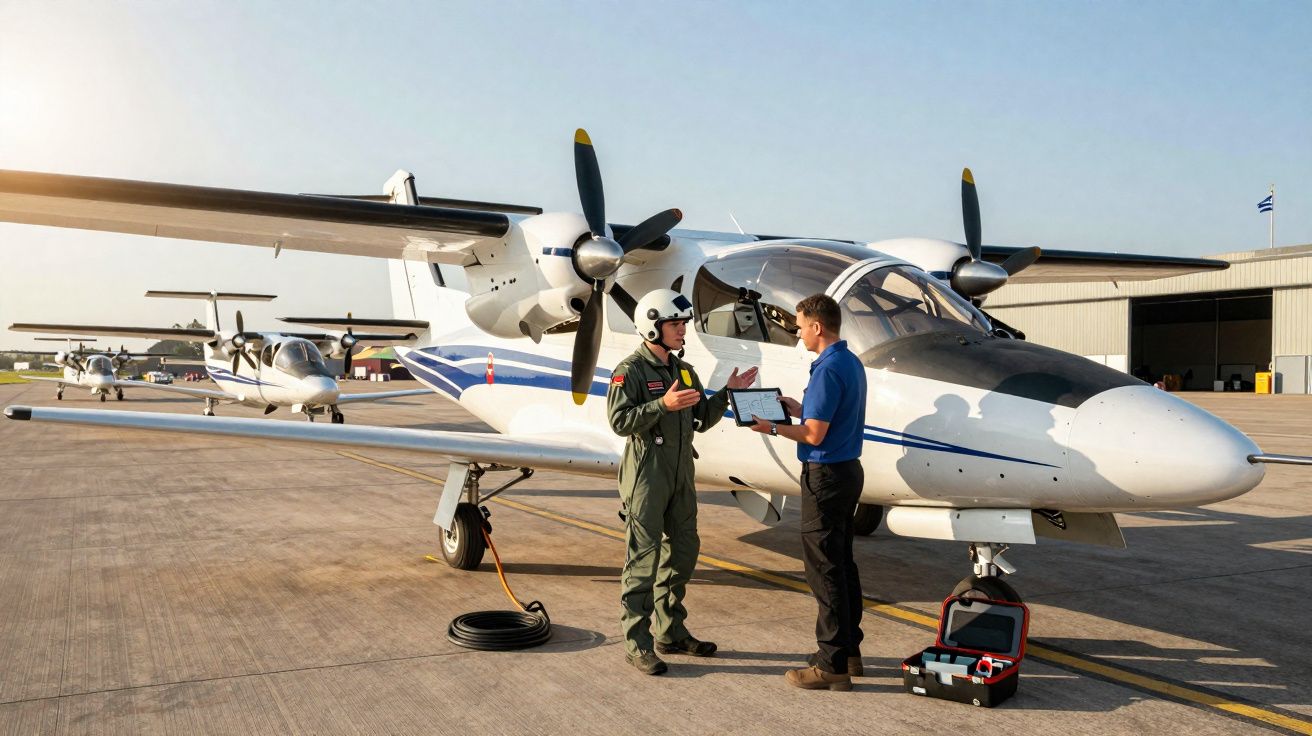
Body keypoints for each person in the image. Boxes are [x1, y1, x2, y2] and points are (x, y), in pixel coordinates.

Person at [608, 288, 759, 675]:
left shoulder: (683, 370)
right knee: (643, 561)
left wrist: (728, 393)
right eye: (675, 324)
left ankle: (670, 631)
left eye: (682, 324)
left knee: (684, 552)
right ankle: (637, 643)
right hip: (647, 476)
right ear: (653, 326)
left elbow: (700, 419)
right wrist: (662, 405)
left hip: (681, 475)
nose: (682, 330)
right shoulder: (630, 370)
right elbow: (619, 421)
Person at [747, 293, 866, 691]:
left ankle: (832, 664)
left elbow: (815, 434)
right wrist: (799, 407)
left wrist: (773, 427)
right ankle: (849, 651)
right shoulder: (849, 363)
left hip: (825, 476)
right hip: (848, 471)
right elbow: (827, 416)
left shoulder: (828, 369)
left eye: (800, 326)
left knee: (824, 570)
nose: (798, 334)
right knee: (842, 563)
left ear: (817, 326)